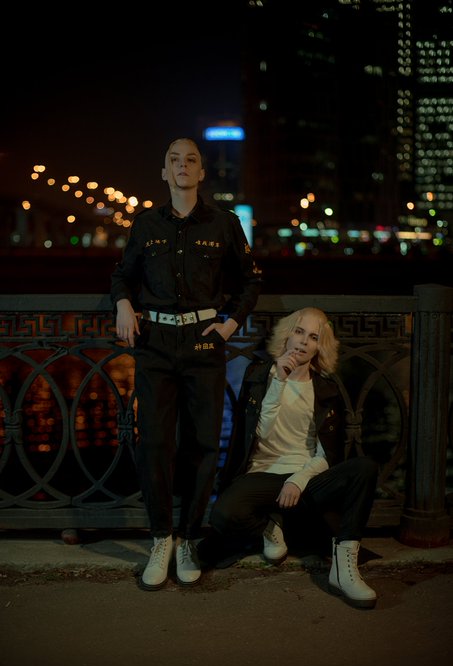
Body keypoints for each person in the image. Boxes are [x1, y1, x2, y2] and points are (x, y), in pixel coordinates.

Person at [110, 137, 262, 591]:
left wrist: (230, 325)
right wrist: (122, 302)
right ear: (164, 172)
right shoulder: (145, 223)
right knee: (155, 444)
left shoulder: (224, 223)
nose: (182, 166)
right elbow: (123, 275)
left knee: (203, 445)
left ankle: (190, 539)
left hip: (203, 346)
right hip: (155, 345)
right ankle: (162, 538)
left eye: (190, 160)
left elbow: (250, 281)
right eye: (174, 160)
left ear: (201, 172)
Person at [202, 307, 379, 609]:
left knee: (365, 468)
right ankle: (270, 525)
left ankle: (344, 567)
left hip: (304, 480)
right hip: (262, 476)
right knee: (224, 514)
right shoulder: (259, 375)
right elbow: (262, 433)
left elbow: (326, 454)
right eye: (299, 332)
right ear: (286, 335)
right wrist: (280, 381)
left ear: (319, 346)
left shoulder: (325, 388)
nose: (304, 341)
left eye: (313, 337)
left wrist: (299, 479)